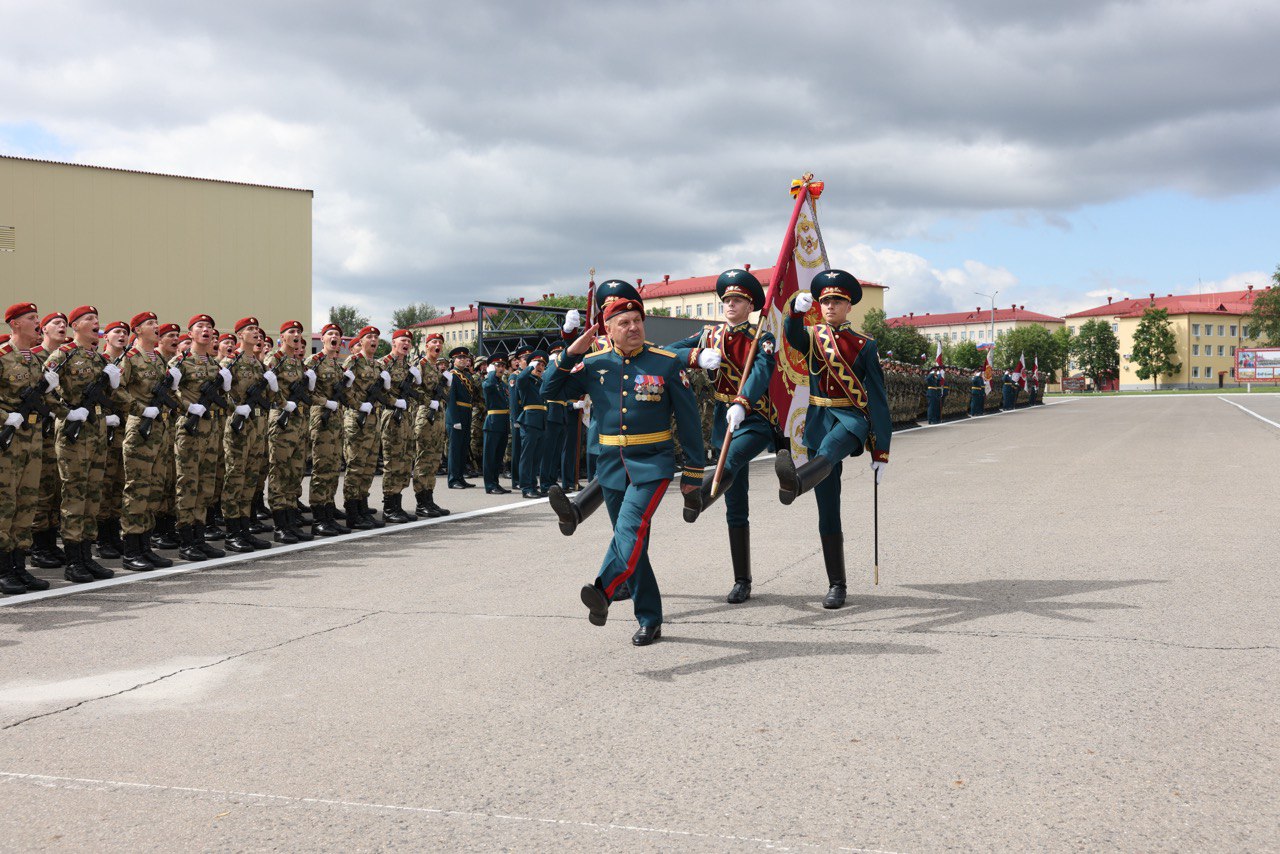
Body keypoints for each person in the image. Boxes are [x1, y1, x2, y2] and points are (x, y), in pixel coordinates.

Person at [542, 293, 705, 646]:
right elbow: (549, 389)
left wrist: (694, 474)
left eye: (637, 321)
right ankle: (650, 618)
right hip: (612, 466)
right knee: (633, 544)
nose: (633, 328)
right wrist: (572, 352)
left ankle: (603, 589)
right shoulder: (596, 364)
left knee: (629, 529)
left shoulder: (665, 363)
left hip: (653, 464)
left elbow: (690, 423)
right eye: (624, 323)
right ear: (609, 331)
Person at [774, 270, 891, 609]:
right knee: (828, 507)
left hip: (851, 418)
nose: (829, 306)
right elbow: (792, 334)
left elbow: (879, 399)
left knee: (829, 449)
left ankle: (795, 481)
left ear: (848, 306)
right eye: (824, 301)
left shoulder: (865, 345)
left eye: (836, 301)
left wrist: (881, 450)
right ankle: (837, 584)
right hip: (817, 418)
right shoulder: (811, 336)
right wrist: (795, 310)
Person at [670, 269, 777, 604]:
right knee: (735, 502)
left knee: (729, 464)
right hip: (722, 421)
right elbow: (664, 352)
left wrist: (743, 402)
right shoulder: (709, 335)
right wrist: (695, 356)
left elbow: (761, 371)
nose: (731, 304)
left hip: (756, 417)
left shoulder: (763, 336)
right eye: (727, 299)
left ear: (751, 305)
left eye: (738, 300)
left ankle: (698, 498)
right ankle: (742, 580)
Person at [44, 305, 120, 582]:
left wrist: (112, 384)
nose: (95, 322)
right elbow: (44, 390)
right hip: (74, 431)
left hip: (97, 429)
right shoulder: (61, 355)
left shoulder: (99, 358)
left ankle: (87, 556)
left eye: (97, 319)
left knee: (92, 495)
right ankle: (74, 561)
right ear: (75, 326)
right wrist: (66, 412)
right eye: (88, 319)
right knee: (75, 495)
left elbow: (109, 394)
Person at [0, 302, 54, 594]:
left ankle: (19, 566)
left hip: (31, 439)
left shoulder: (34, 360)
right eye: (32, 318)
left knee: (27, 503)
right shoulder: (2, 357)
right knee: (5, 504)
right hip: (7, 442)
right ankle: (3, 569)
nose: (37, 322)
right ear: (15, 324)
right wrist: (6, 416)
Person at [117, 310, 177, 570]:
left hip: (159, 430)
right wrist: (141, 409)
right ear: (138, 331)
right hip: (140, 429)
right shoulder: (129, 358)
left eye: (156, 322)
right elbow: (116, 389)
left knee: (154, 489)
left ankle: (146, 545)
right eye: (150, 324)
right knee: (137, 488)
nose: (156, 326)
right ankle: (131, 550)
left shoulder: (159, 360)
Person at [169, 314, 229, 562]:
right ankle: (186, 541)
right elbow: (166, 394)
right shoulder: (179, 362)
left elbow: (227, 404)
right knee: (188, 483)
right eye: (200, 327)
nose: (206, 330)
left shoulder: (216, 365)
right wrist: (186, 406)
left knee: (206, 485)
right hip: (190, 430)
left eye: (210, 328)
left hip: (212, 429)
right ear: (191, 333)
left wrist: (227, 392)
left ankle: (199, 537)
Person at [265, 320, 321, 541]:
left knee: (294, 473)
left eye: (298, 331)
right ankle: (280, 526)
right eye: (292, 332)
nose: (297, 335)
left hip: (298, 421)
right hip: (281, 419)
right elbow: (266, 390)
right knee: (280, 471)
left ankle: (291, 521)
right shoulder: (274, 360)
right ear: (283, 336)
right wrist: (281, 401)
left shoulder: (297, 362)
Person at [28, 310, 69, 570]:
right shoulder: (34, 358)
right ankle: (38, 546)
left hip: (62, 432)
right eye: (56, 323)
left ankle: (51, 542)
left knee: (56, 489)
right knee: (41, 491)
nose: (62, 326)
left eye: (65, 323)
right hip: (39, 432)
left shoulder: (68, 357)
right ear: (43, 329)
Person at [305, 322, 351, 536]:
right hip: (321, 419)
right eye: (330, 334)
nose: (334, 338)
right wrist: (325, 402)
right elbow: (305, 394)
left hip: (337, 419)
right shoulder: (313, 362)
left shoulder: (337, 365)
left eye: (337, 335)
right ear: (323, 339)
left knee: (333, 468)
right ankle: (318, 518)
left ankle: (328, 511)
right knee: (322, 467)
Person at [342, 326, 390, 529]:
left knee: (369, 466)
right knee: (356, 465)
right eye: (369, 337)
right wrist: (357, 405)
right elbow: (343, 390)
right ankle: (352, 513)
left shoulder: (378, 365)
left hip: (373, 419)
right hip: (356, 418)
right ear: (360, 342)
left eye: (376, 338)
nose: (374, 340)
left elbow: (382, 395)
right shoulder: (352, 362)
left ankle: (363, 508)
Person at [94, 319, 130, 559]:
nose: (122, 335)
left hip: (125, 431)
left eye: (125, 332)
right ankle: (102, 538)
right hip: (104, 432)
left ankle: (113, 534)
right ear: (106, 337)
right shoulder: (100, 362)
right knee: (104, 485)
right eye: (116, 331)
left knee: (119, 484)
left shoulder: (129, 362)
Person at [376, 329, 417, 523]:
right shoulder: (383, 364)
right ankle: (389, 507)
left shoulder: (408, 365)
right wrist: (393, 401)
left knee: (405, 459)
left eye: (409, 340)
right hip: (392, 415)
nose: (406, 343)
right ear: (394, 343)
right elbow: (375, 393)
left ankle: (398, 503)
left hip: (406, 416)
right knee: (393, 460)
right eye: (403, 340)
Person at [410, 333, 450, 517]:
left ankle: (429, 499)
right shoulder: (421, 365)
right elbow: (414, 389)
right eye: (434, 342)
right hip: (425, 416)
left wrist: (447, 385)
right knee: (424, 458)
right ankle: (421, 502)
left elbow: (443, 394)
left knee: (434, 459)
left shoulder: (436, 368)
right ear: (426, 345)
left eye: (440, 342)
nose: (438, 345)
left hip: (438, 416)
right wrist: (428, 401)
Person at [515, 350, 549, 498]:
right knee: (527, 456)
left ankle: (533, 485)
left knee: (537, 456)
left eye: (542, 364)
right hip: (529, 420)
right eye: (538, 364)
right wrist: (529, 367)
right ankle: (526, 487)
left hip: (541, 421)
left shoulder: (541, 382)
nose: (540, 367)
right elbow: (520, 378)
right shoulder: (526, 380)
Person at [443, 346, 477, 489]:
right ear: (453, 360)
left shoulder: (467, 375)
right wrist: (455, 419)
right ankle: (453, 479)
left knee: (463, 448)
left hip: (467, 413)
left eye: (465, 358)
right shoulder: (451, 375)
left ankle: (460, 477)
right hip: (456, 414)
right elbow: (450, 399)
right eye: (459, 358)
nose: (463, 360)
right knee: (455, 449)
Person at [481, 356, 511, 494]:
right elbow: (487, 387)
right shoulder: (489, 381)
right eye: (497, 366)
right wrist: (491, 373)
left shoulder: (503, 385)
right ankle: (489, 485)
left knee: (498, 456)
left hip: (503, 422)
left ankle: (496, 482)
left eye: (502, 366)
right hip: (493, 422)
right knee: (490, 456)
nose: (501, 368)